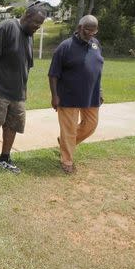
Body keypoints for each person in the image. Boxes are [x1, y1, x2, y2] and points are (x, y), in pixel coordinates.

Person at [0, 3, 46, 173]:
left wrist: (24, 88)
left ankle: (4, 158)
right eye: (36, 23)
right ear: (27, 16)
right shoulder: (6, 27)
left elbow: (26, 65)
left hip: (18, 92)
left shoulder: (29, 35)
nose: (38, 27)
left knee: (13, 125)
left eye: (40, 24)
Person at [48, 15, 104, 174]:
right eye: (88, 30)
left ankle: (65, 141)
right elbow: (53, 74)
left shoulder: (95, 44)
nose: (91, 34)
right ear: (79, 27)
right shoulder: (65, 47)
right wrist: (54, 96)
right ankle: (67, 160)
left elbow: (98, 69)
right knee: (69, 128)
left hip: (91, 94)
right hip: (68, 95)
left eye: (95, 31)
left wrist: (99, 90)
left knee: (91, 125)